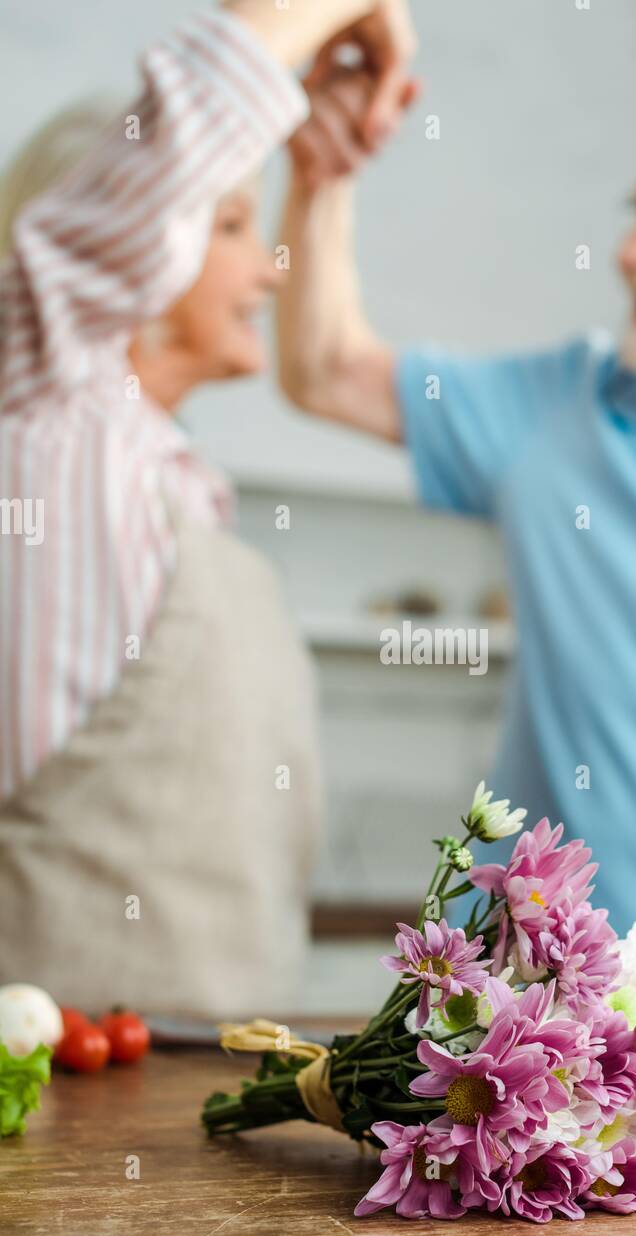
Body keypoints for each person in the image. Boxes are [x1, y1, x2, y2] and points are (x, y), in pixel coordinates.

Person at [279, 71, 636, 1000]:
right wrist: (322, 174)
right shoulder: (559, 407)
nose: (630, 253)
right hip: (528, 1023)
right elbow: (324, 371)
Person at [0, 0, 417, 1015]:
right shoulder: (50, 414)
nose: (267, 273)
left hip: (199, 1096)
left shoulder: (171, 481)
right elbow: (138, 178)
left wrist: (320, 180)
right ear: (129, 244)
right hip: (57, 1115)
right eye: (231, 225)